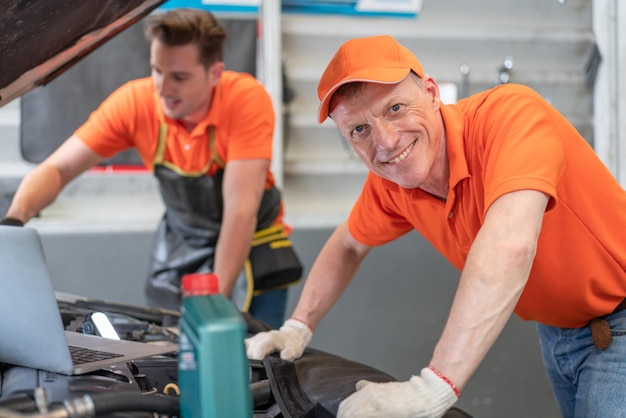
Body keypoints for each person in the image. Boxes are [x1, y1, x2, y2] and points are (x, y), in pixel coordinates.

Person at [245, 34, 626, 417]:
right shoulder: (391, 184)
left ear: (430, 92)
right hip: (558, 331)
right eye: (359, 130)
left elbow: (511, 243)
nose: (387, 142)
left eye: (395, 108)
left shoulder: (512, 116)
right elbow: (348, 245)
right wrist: (298, 327)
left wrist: (434, 386)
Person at [0, 8, 299, 330]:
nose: (164, 88)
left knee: (248, 362)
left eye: (180, 77)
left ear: (215, 73)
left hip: (251, 252)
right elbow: (58, 169)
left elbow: (240, 212)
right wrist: (12, 227)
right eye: (157, 70)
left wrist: (214, 312)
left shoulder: (245, 99)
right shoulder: (135, 103)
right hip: (181, 249)